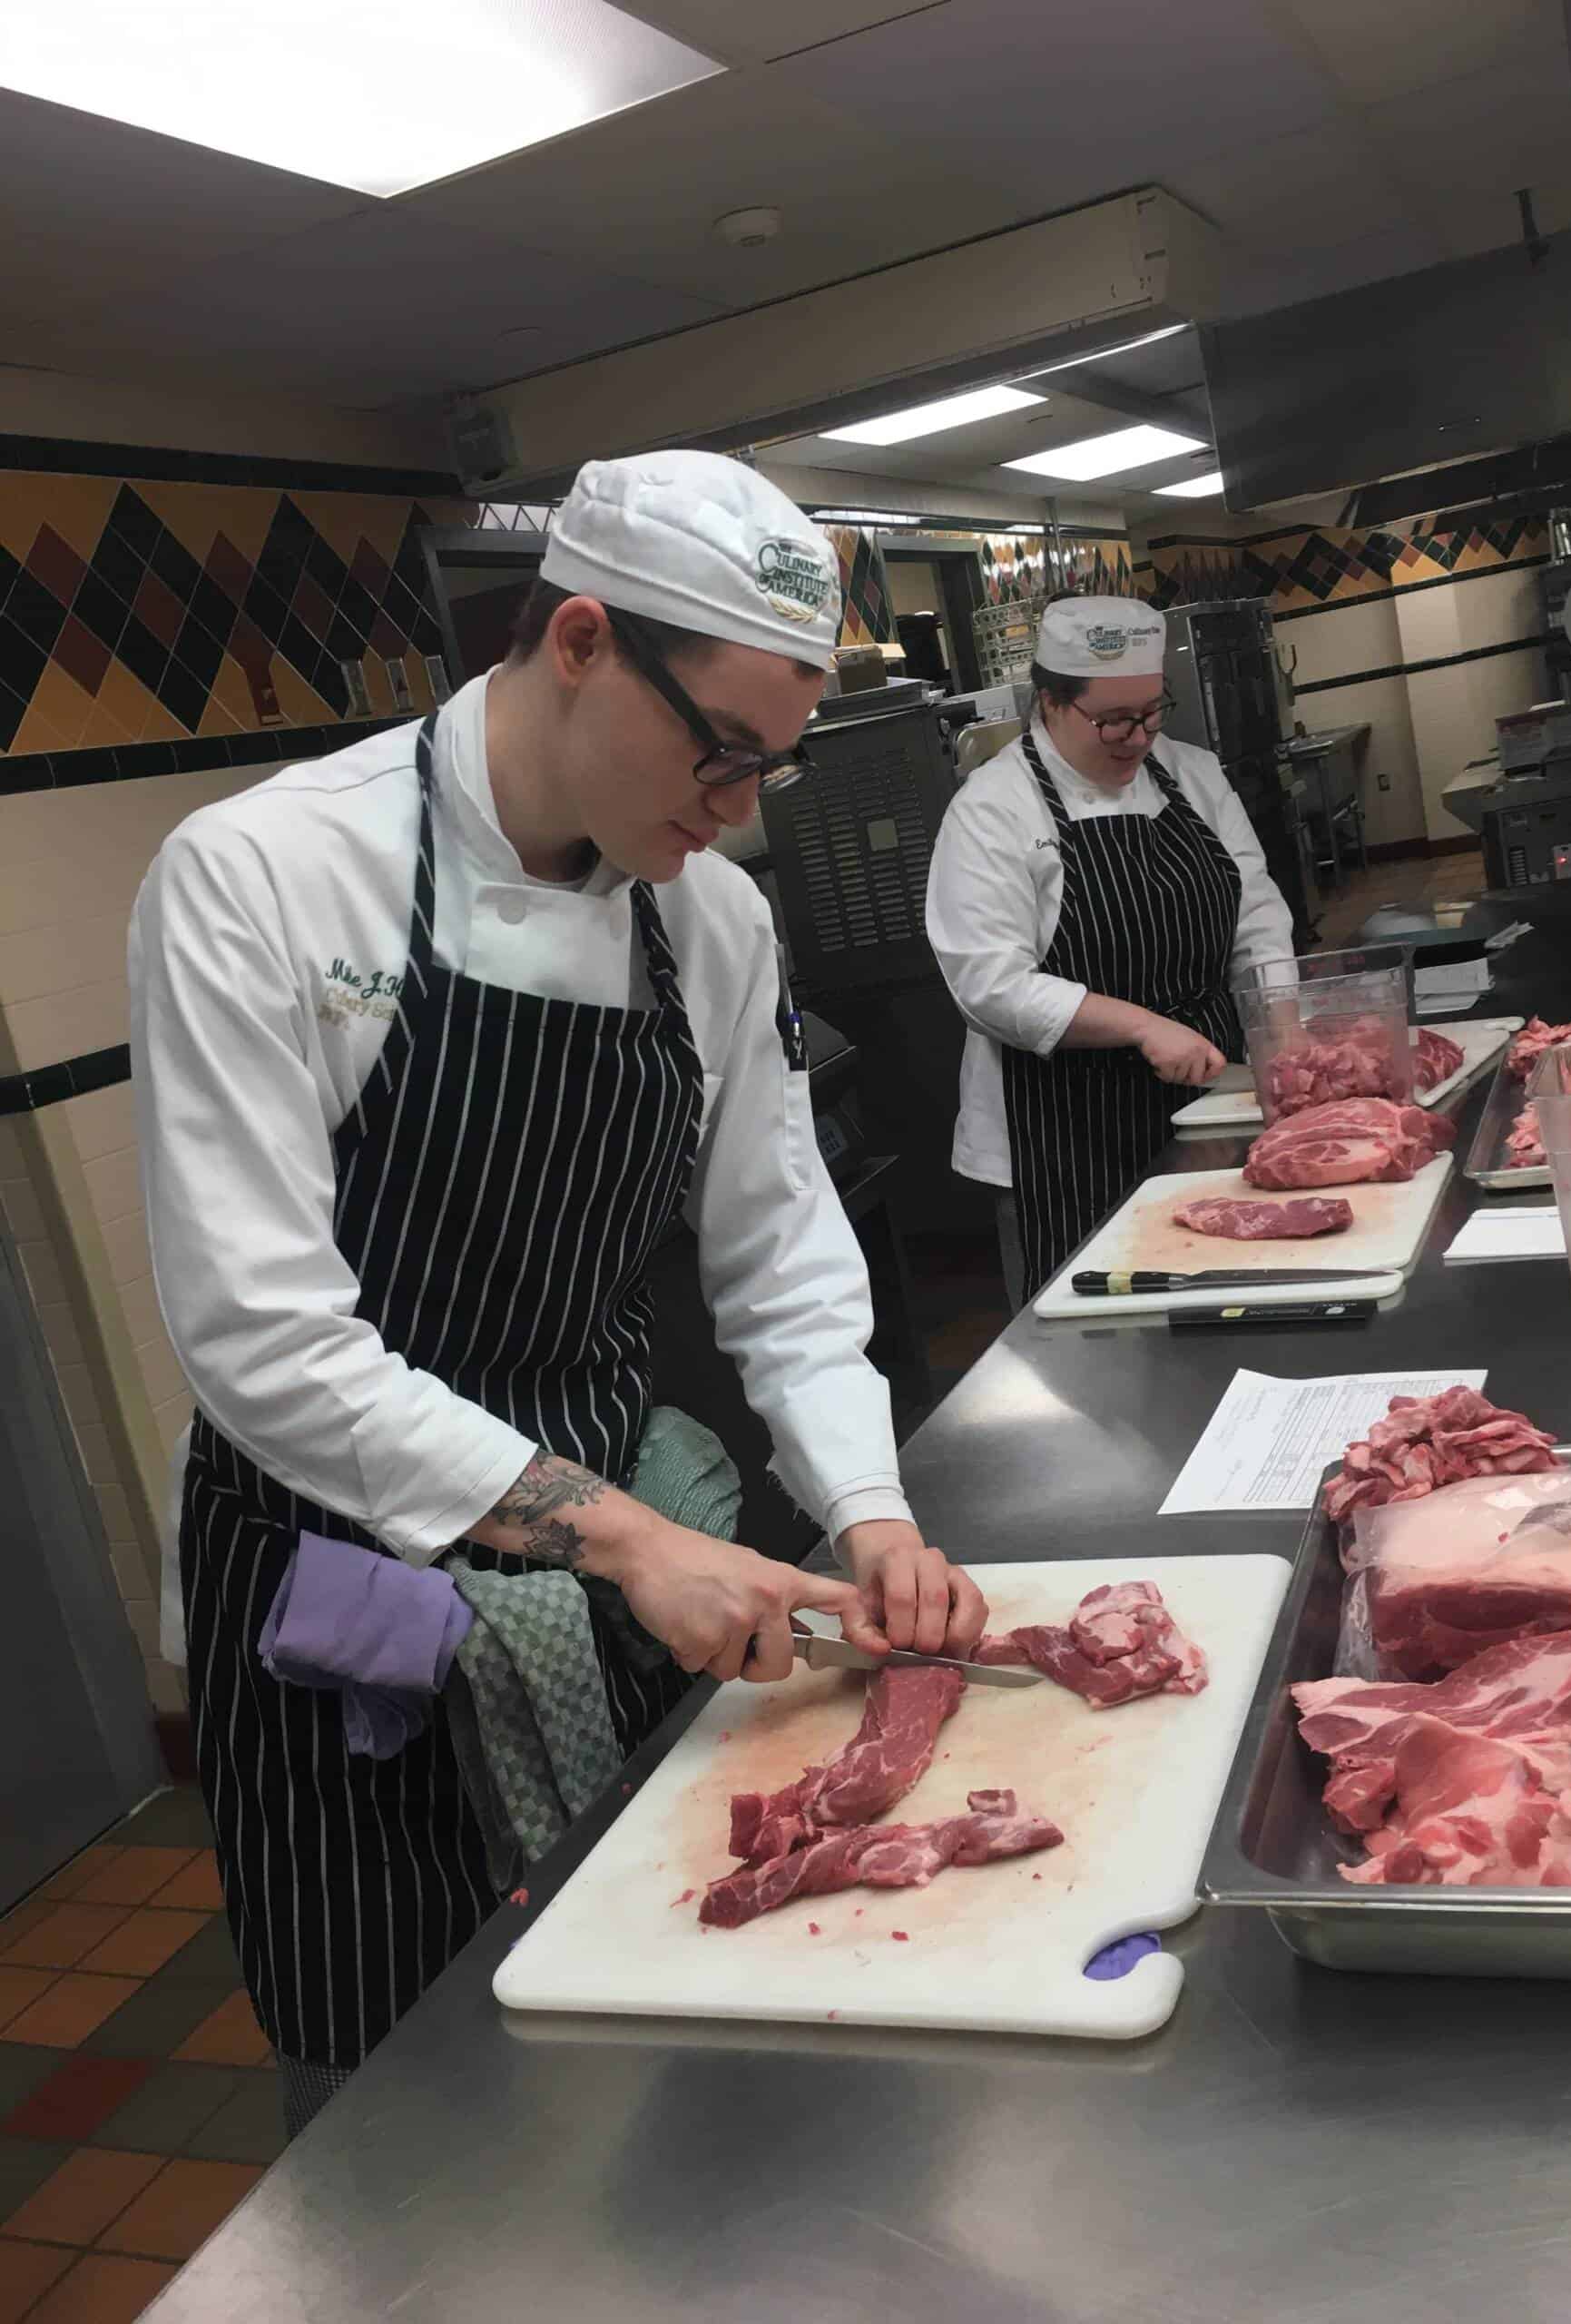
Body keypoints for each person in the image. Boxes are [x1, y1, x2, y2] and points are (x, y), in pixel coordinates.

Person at [130, 450, 987, 2131]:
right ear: (581, 639)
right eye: (721, 753)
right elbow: (260, 1335)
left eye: (772, 766)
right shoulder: (268, 876)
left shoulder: (712, 922)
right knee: (403, 2090)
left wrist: (868, 1506)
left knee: (665, 2029)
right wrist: (623, 1532)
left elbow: (782, 1254)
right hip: (338, 1592)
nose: (739, 806)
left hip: (618, 1574)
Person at [926, 596, 1292, 1305]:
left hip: (1209, 1095)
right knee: (1092, 1335)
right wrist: (1142, 1025)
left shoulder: (1194, 775)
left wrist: (1282, 1029)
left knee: (1233, 1295)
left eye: (1153, 712)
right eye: (1114, 720)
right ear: (1050, 703)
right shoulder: (992, 810)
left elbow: (1257, 913)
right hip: (1061, 1133)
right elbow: (989, 985)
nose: (1138, 738)